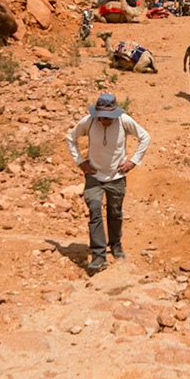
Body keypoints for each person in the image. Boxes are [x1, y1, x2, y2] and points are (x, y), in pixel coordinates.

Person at [65, 92, 150, 275]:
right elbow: (71, 138)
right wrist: (80, 161)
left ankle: (116, 244)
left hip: (117, 176)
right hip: (94, 175)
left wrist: (133, 161)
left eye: (109, 118)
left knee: (115, 212)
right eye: (102, 118)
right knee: (94, 210)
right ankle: (98, 255)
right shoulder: (88, 122)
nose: (105, 121)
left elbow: (145, 137)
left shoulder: (124, 121)